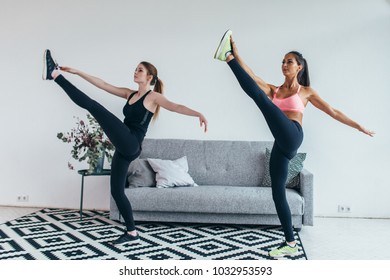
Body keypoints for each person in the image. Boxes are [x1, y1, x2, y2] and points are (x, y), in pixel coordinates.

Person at [214, 30, 374, 258]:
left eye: (289, 61)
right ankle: (290, 242)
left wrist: (359, 126)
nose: (284, 64)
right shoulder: (275, 90)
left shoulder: (306, 92)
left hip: (293, 135)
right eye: (283, 61)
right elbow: (250, 75)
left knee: (260, 99)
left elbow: (333, 111)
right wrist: (239, 52)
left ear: (299, 67)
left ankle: (226, 58)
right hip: (282, 144)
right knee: (277, 192)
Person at [43, 49, 208, 245]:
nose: (135, 72)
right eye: (136, 69)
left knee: (94, 107)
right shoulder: (130, 94)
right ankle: (132, 232)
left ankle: (54, 75)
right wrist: (78, 72)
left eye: (140, 70)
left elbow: (175, 106)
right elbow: (103, 84)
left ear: (150, 77)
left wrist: (198, 113)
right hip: (124, 146)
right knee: (117, 191)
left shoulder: (153, 97)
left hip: (131, 142)